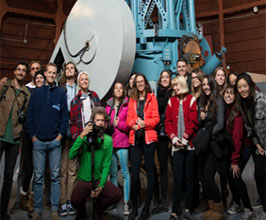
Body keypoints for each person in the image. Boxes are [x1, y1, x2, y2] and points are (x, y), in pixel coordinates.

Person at [26, 62, 69, 220]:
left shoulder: (60, 93)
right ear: (45, 74)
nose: (51, 75)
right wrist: (33, 137)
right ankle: (37, 210)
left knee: (55, 177)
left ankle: (54, 209)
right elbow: (29, 118)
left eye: (54, 73)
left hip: (54, 142)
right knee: (38, 177)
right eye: (49, 72)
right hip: (38, 142)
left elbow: (64, 118)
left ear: (57, 75)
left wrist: (59, 136)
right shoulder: (36, 94)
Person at [70, 107, 122, 220]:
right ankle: (82, 212)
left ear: (105, 124)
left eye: (102, 121)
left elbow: (107, 164)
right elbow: (71, 154)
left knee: (116, 194)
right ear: (93, 121)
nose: (100, 123)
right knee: (74, 200)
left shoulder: (108, 140)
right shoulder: (85, 138)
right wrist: (82, 135)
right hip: (84, 179)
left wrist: (101, 185)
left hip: (98, 179)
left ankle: (99, 209)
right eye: (98, 120)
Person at [0, 61, 30, 220]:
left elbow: (25, 117)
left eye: (23, 70)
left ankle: (2, 211)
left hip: (15, 140)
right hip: (0, 135)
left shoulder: (26, 94)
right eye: (18, 69)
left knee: (8, 177)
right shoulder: (4, 86)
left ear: (26, 74)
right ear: (14, 71)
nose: (20, 72)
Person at [165, 76, 198, 220]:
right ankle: (174, 211)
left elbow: (193, 122)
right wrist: (173, 138)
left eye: (177, 85)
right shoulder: (171, 101)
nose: (175, 88)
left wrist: (184, 138)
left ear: (183, 85)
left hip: (189, 145)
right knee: (177, 179)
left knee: (189, 178)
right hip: (176, 145)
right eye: (173, 86)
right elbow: (168, 122)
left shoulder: (191, 100)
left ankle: (188, 209)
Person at [127, 73, 159, 220]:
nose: (139, 84)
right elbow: (129, 119)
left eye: (141, 81)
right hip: (135, 139)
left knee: (151, 173)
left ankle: (146, 208)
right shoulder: (132, 100)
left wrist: (145, 123)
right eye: (137, 82)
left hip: (148, 139)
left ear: (145, 83)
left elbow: (156, 118)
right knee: (134, 176)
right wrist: (135, 123)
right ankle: (134, 206)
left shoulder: (152, 98)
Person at [236, 73, 266, 220]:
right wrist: (257, 144)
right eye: (239, 87)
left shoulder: (261, 101)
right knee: (259, 176)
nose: (242, 89)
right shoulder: (243, 104)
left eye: (244, 86)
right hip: (260, 146)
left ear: (250, 85)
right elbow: (251, 129)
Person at [223, 84, 254, 220]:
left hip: (244, 148)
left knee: (235, 175)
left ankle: (249, 209)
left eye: (231, 93)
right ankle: (237, 203)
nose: (228, 95)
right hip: (234, 149)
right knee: (231, 176)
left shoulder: (237, 114)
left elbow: (237, 139)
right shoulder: (227, 110)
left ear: (235, 96)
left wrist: (235, 161)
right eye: (226, 93)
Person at [19, 70, 46, 213]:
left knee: (39, 170)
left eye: (42, 78)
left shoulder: (48, 94)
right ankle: (24, 196)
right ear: (34, 80)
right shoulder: (29, 93)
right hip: (29, 135)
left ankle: (36, 200)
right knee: (28, 169)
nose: (40, 80)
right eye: (38, 78)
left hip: (41, 135)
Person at [199, 75, 226, 220]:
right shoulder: (205, 102)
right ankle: (213, 207)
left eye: (207, 84)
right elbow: (200, 121)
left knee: (209, 177)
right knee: (205, 177)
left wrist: (208, 134)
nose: (205, 87)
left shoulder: (219, 101)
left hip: (217, 145)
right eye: (203, 85)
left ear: (212, 84)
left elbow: (220, 124)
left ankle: (220, 210)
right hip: (208, 145)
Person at [105, 82, 130, 215]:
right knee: (113, 173)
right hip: (111, 143)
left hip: (123, 143)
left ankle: (126, 203)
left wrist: (118, 123)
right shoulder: (108, 105)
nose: (119, 90)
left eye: (121, 88)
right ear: (113, 90)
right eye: (116, 88)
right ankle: (113, 201)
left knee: (125, 173)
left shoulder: (127, 104)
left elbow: (128, 125)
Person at [58, 62, 79, 217]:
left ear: (75, 72)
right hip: (62, 131)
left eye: (72, 68)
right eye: (68, 69)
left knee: (72, 170)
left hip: (75, 132)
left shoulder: (79, 88)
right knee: (62, 170)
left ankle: (70, 202)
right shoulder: (61, 89)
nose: (70, 70)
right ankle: (62, 202)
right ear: (65, 72)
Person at [152, 69, 173, 215]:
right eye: (163, 77)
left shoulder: (172, 93)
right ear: (160, 80)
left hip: (171, 135)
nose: (165, 79)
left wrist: (162, 117)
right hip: (160, 136)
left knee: (177, 168)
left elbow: (170, 112)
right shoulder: (155, 93)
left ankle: (181, 197)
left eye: (167, 77)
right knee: (163, 168)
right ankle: (163, 199)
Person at [70, 71, 101, 141]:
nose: (84, 81)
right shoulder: (74, 101)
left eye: (86, 79)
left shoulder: (94, 96)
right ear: (79, 83)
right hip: (81, 134)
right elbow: (72, 122)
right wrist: (76, 137)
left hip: (95, 134)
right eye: (82, 79)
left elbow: (101, 115)